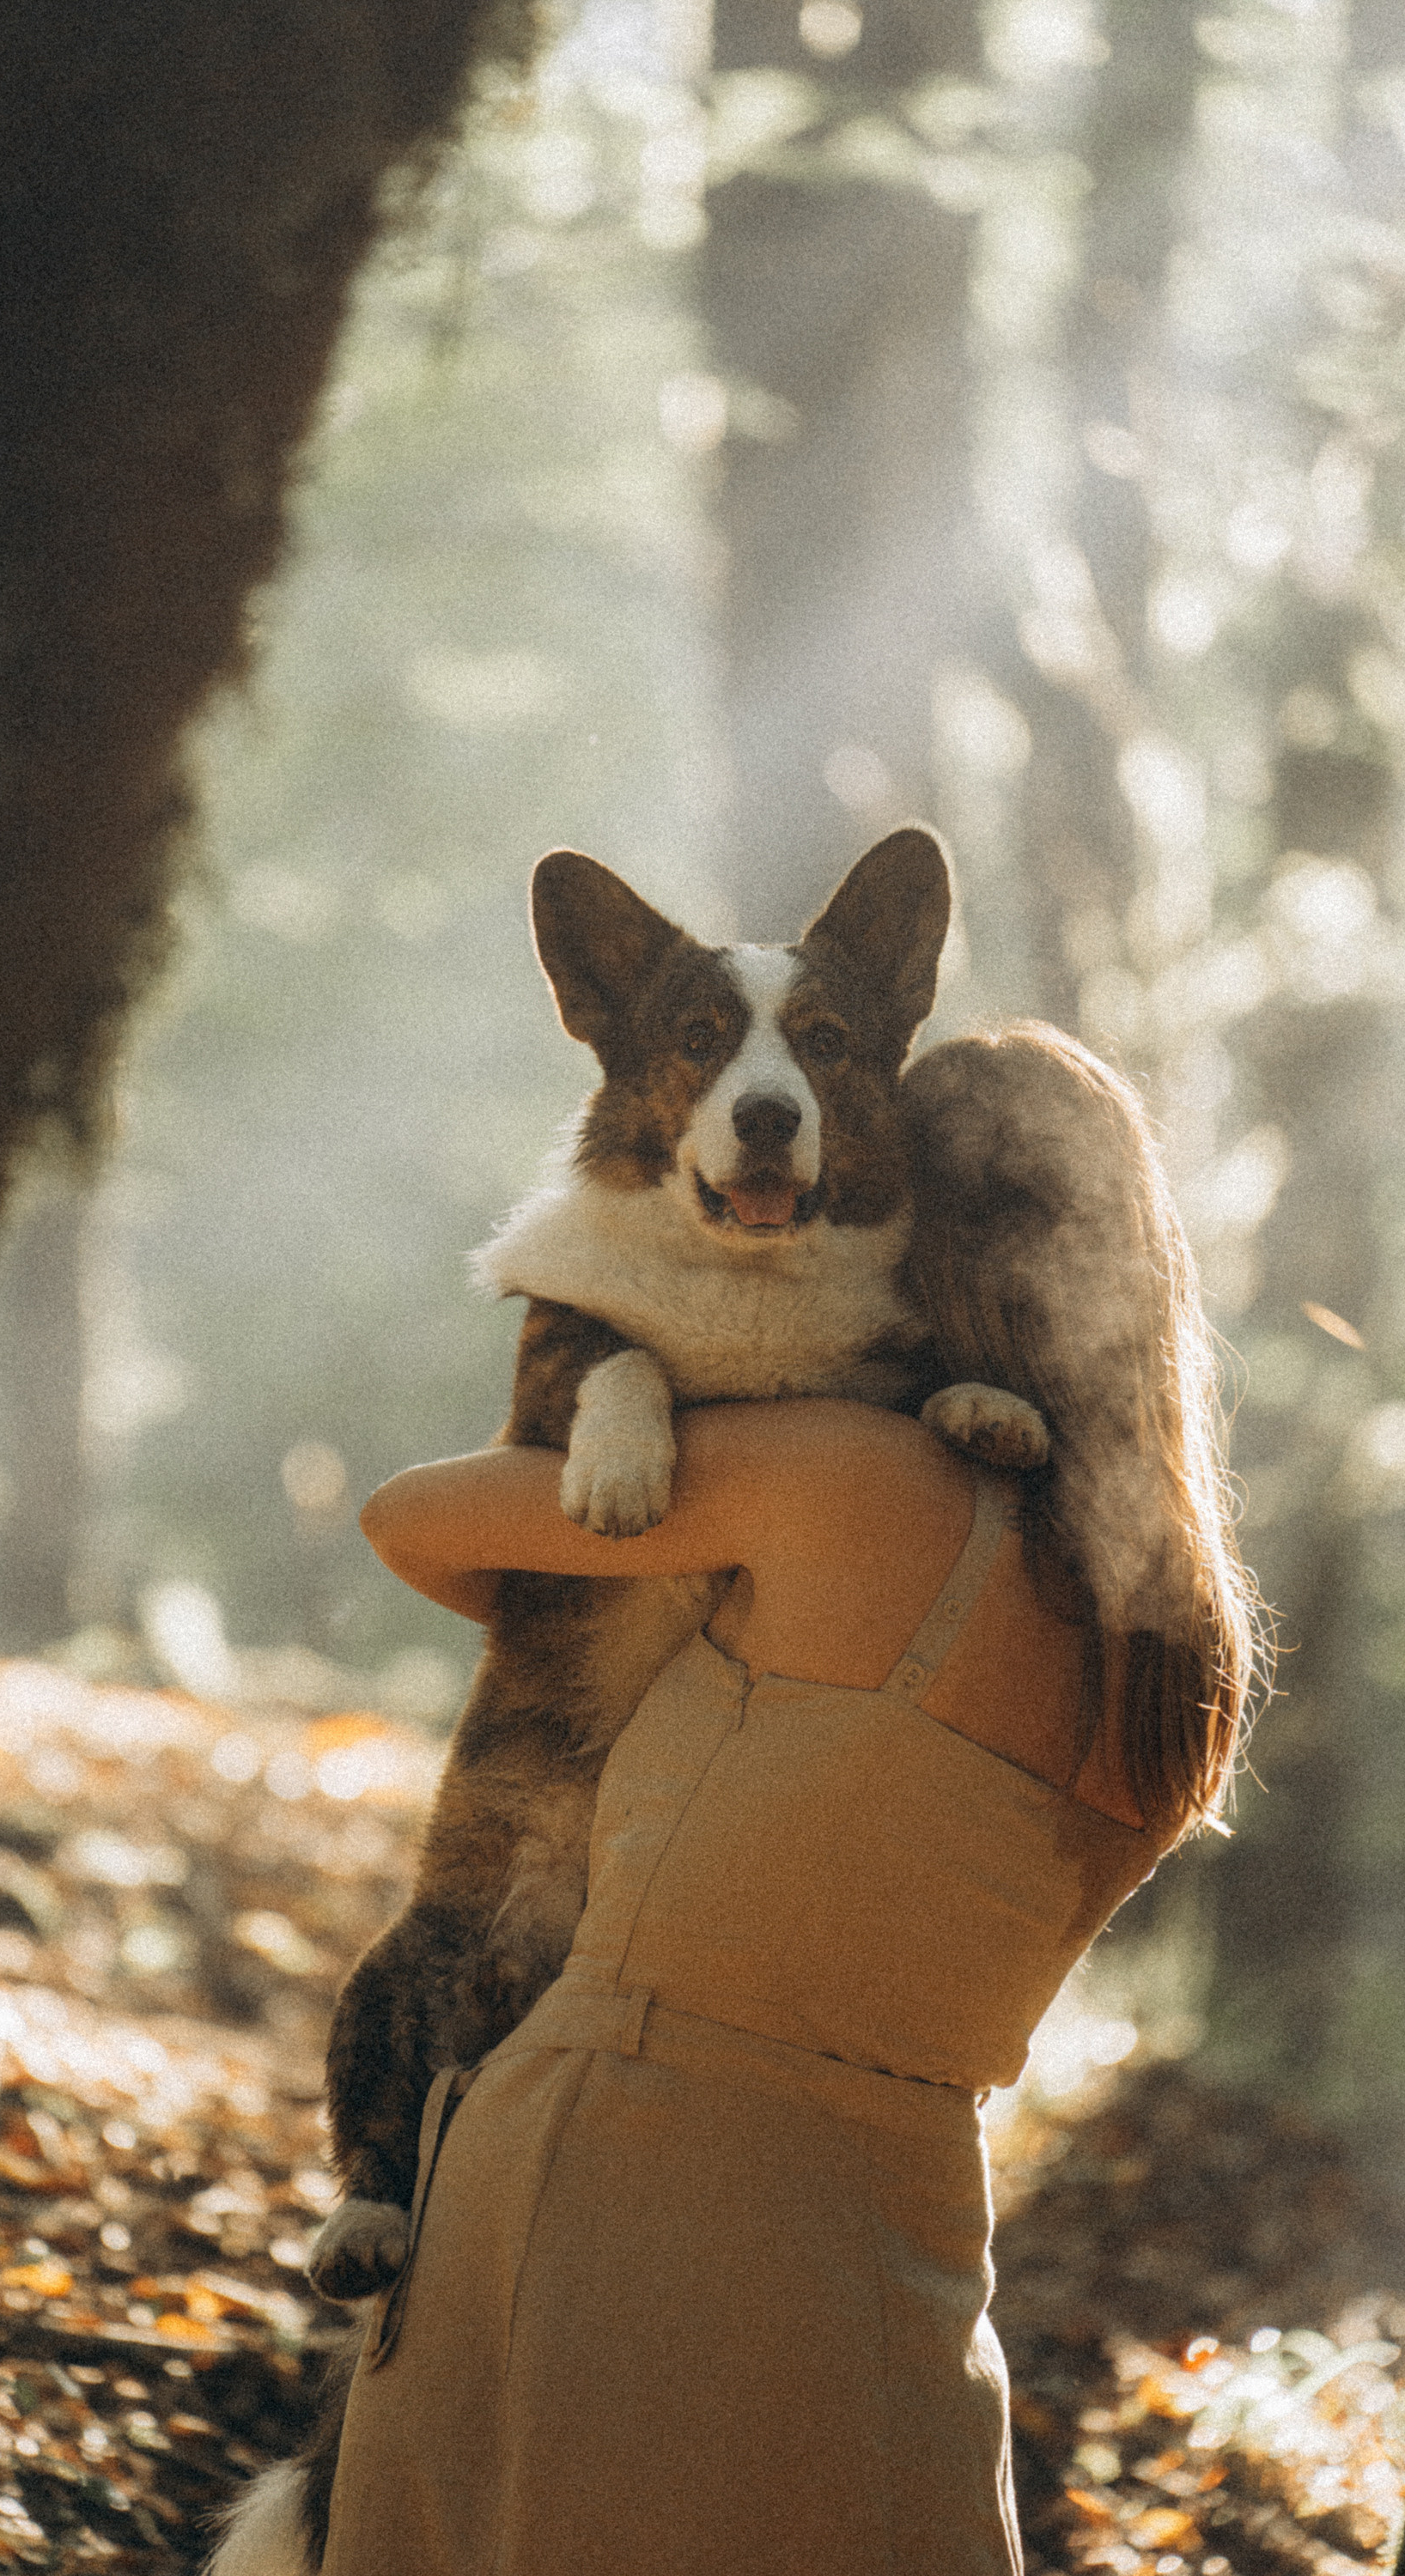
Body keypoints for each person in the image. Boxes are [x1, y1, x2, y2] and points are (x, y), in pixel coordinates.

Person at [318, 1027, 1263, 2576]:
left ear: (903, 1226)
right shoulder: (1177, 1652)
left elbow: (415, 1521)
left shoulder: (830, 1480)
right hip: (898, 2264)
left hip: (596, 2196)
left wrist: (650, 1404)